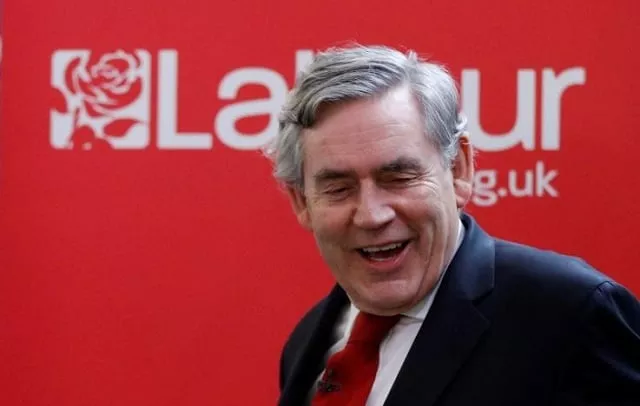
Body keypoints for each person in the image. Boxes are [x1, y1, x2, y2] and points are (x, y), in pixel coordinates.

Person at [263, 44, 640, 406]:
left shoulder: (571, 317)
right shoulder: (310, 340)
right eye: (339, 189)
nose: (372, 215)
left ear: (459, 169)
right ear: (302, 202)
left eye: (398, 178)